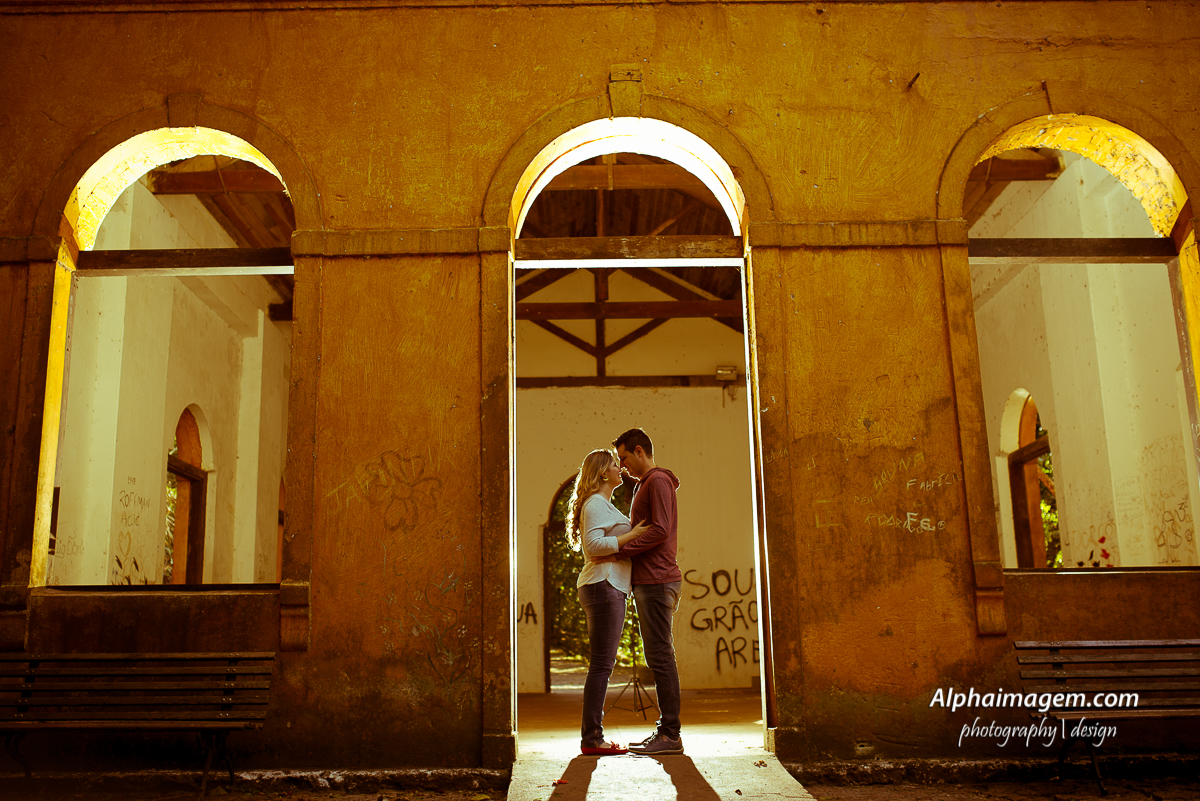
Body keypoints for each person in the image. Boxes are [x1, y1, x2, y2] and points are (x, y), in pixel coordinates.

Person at [567, 448, 649, 756]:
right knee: (602, 665)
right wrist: (633, 535)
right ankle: (592, 738)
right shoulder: (596, 504)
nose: (621, 468)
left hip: (606, 584)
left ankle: (593, 736)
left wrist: (622, 548)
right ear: (603, 473)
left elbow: (601, 546)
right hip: (603, 585)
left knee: (602, 664)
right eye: (616, 464)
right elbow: (593, 545)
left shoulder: (603, 504)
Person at [610, 427, 685, 755]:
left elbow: (660, 528)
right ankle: (666, 731)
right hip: (650, 581)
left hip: (657, 580)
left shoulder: (656, 481)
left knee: (660, 656)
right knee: (658, 655)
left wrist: (622, 550)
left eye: (624, 457)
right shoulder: (646, 484)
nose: (622, 465)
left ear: (640, 451)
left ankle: (670, 735)